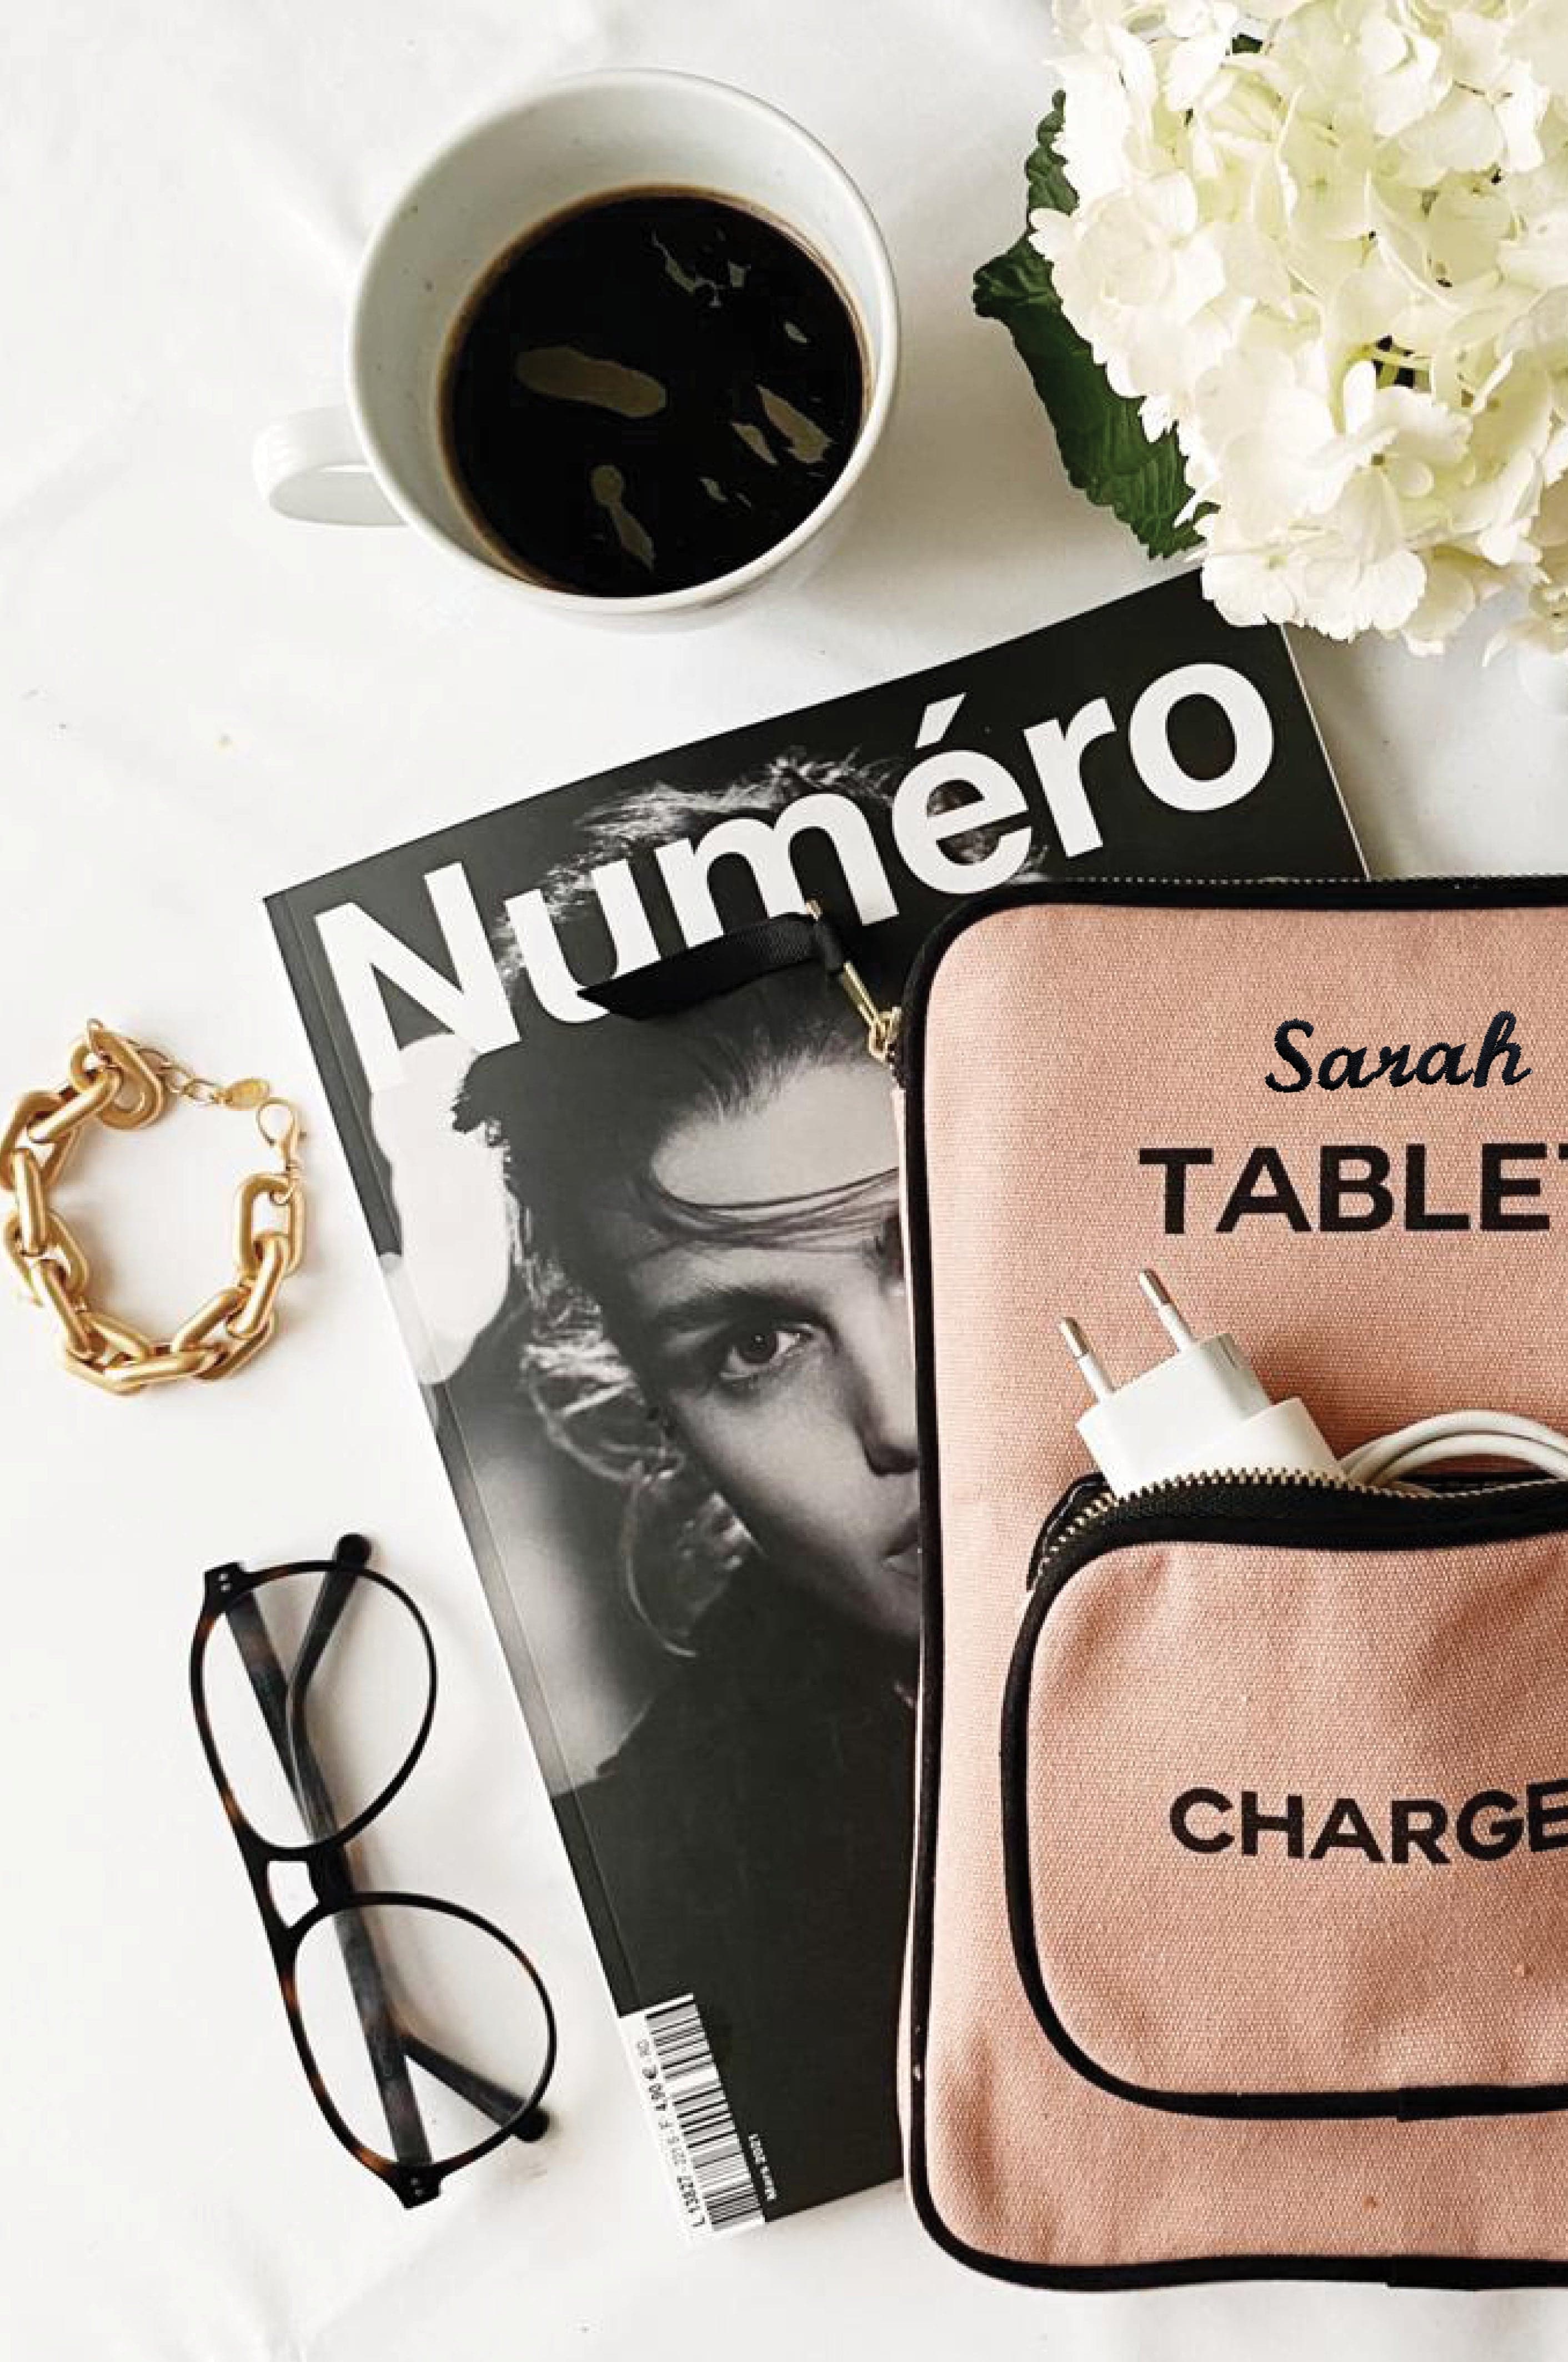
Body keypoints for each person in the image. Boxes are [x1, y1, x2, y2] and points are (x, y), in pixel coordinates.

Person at [454, 760, 926, 2210]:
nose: (909, 1416)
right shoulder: (691, 1903)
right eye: (753, 1342)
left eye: (951, 1234)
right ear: (658, 1417)